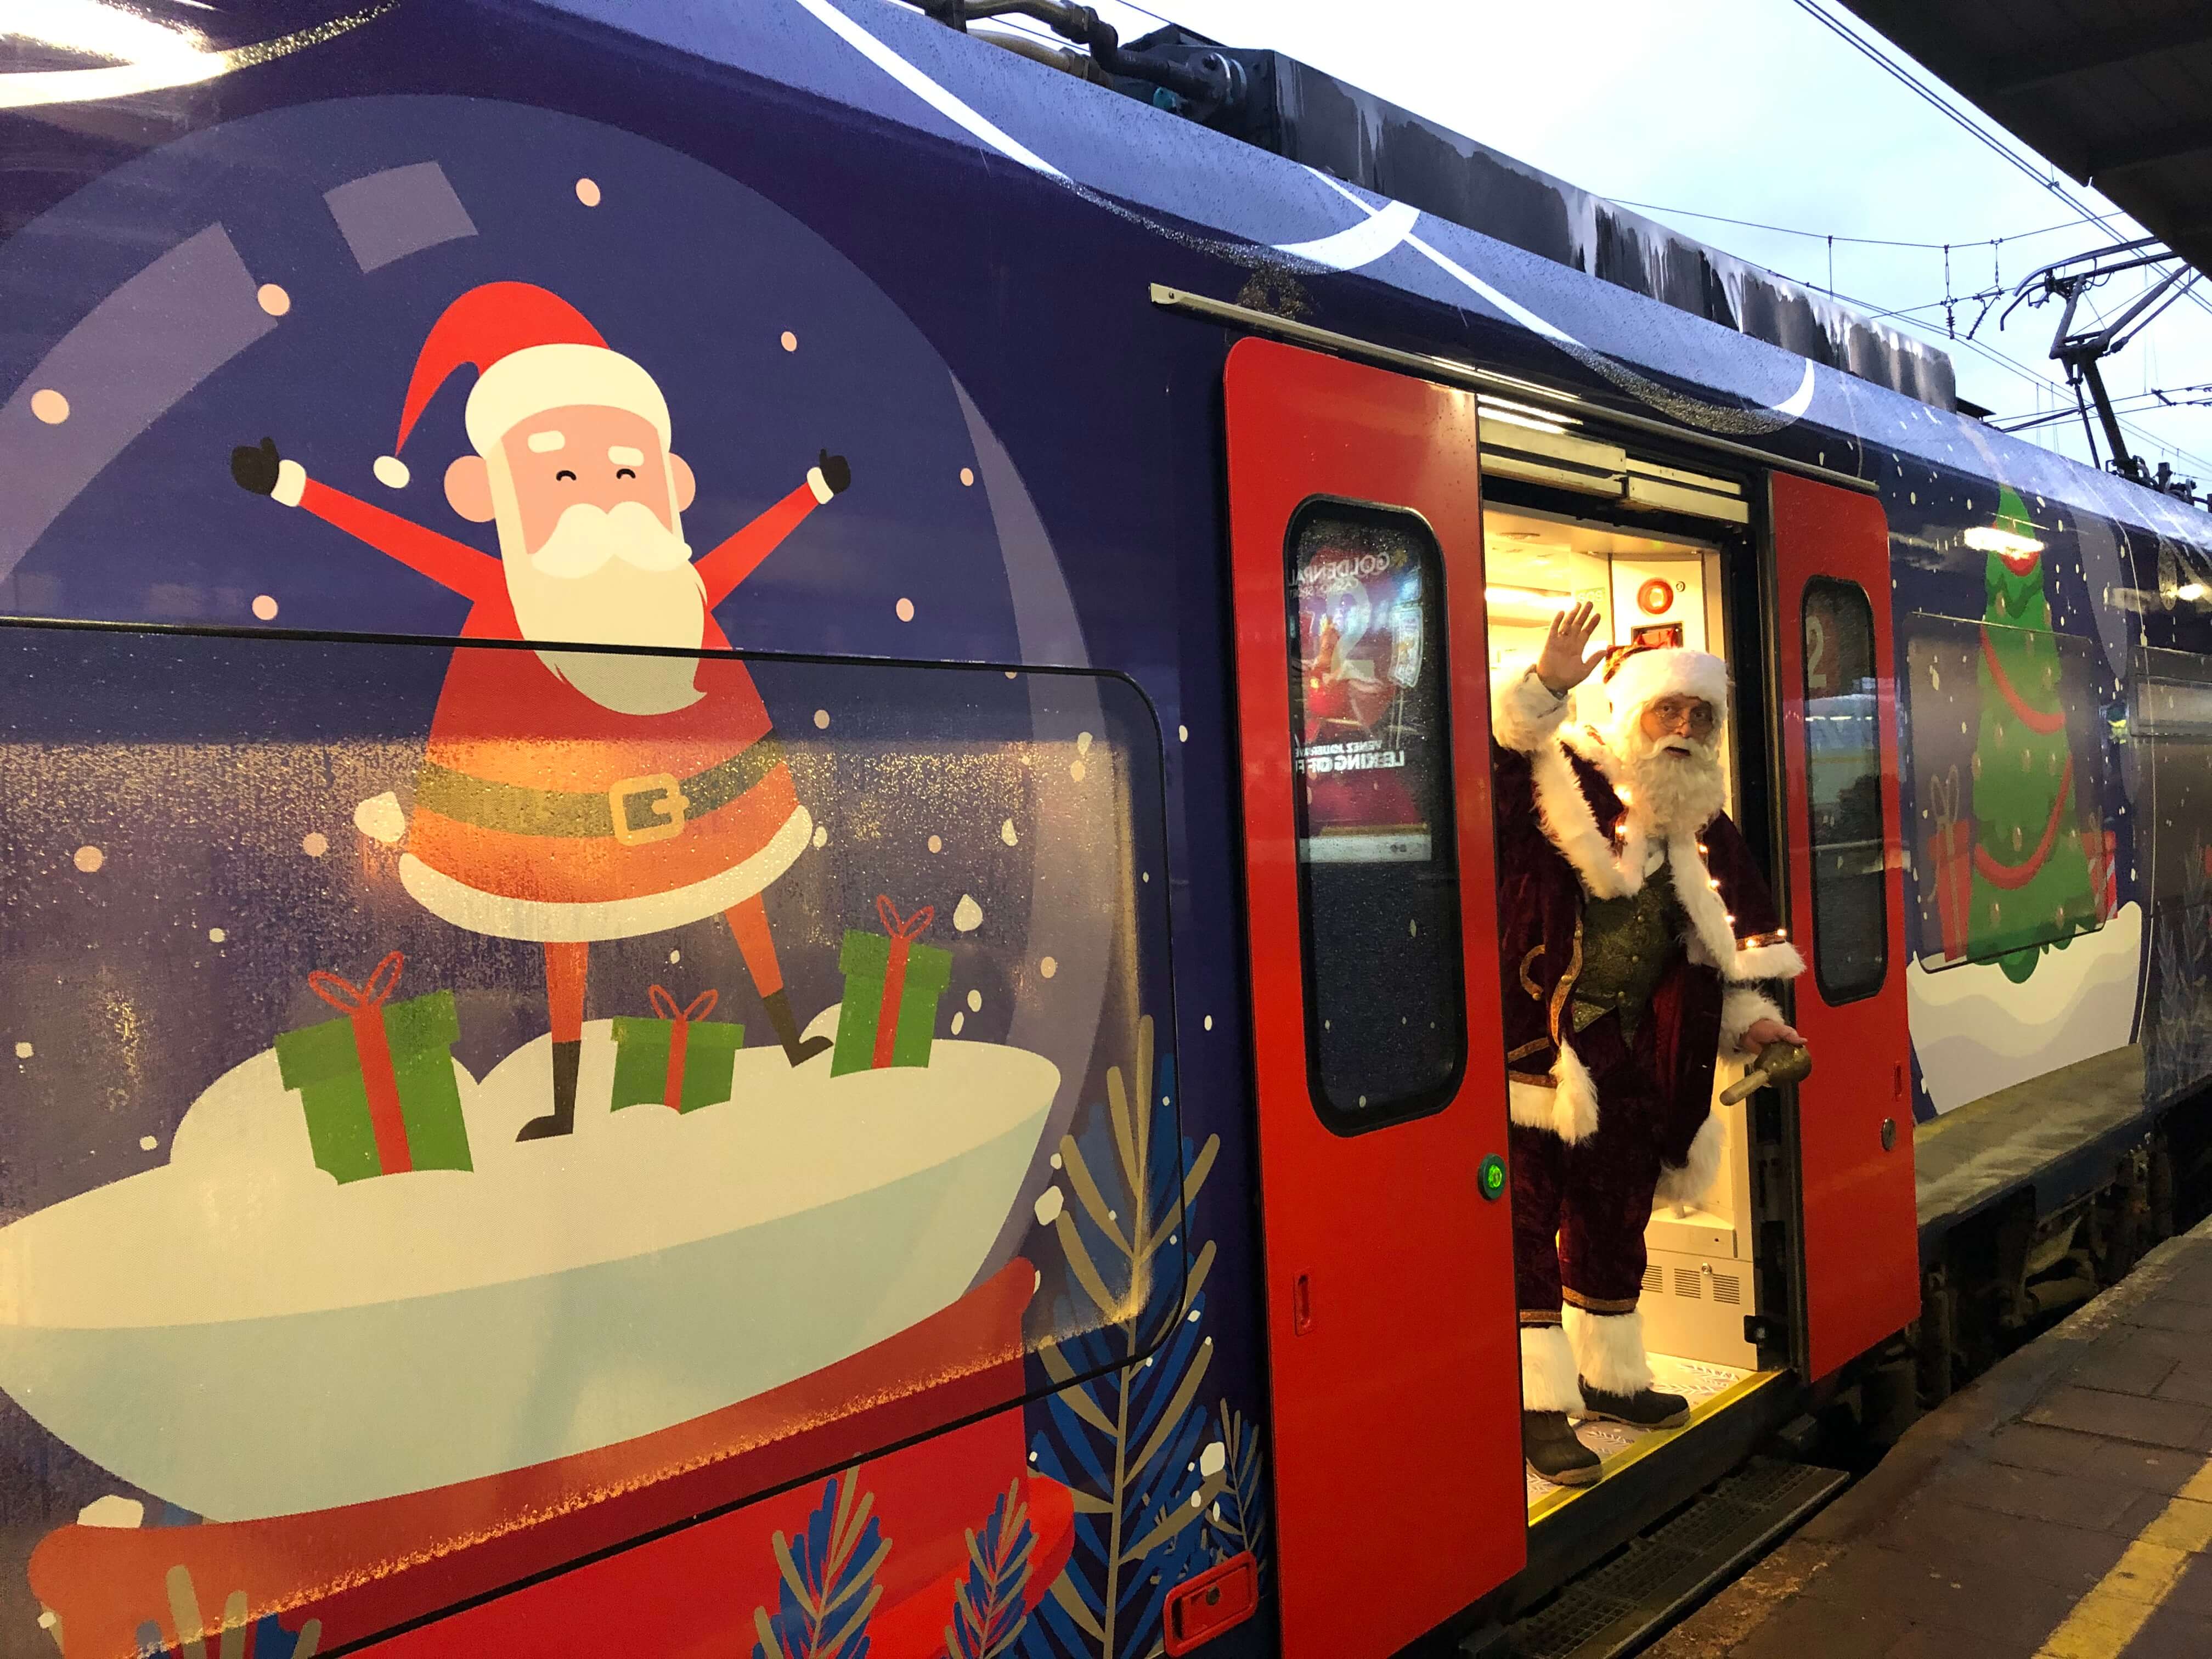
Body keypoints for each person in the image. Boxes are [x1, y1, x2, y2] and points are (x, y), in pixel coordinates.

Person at [232, 281, 849, 1139]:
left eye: (624, 470)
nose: (600, 494)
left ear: (669, 481)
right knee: (564, 927)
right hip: (567, 824)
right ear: (487, 491)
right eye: (560, 472)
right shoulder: (515, 595)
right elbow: (406, 544)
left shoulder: (683, 590)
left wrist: (812, 496)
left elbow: (746, 550)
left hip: (708, 798)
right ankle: (565, 1103)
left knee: (739, 893)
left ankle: (785, 1040)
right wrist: (298, 489)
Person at [1491, 603, 1808, 1486]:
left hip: (1634, 1054)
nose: (1684, 729)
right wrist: (1547, 684)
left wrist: (1758, 1025)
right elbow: (1496, 774)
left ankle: (1611, 1377)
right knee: (1527, 1229)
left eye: (1700, 718)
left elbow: (1723, 958)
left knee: (1616, 1215)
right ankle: (1536, 1407)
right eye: (1668, 712)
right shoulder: (1563, 782)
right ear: (1630, 718)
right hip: (1541, 1051)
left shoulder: (1704, 826)